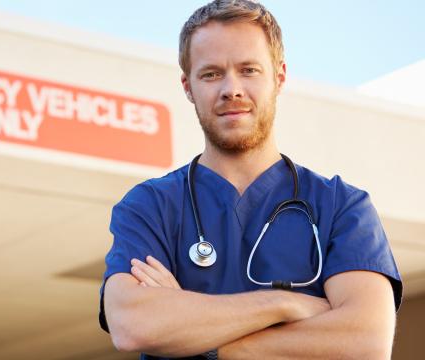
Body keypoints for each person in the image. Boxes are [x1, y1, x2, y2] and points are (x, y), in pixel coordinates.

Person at [98, 1, 402, 359]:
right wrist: (285, 304)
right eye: (211, 74)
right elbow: (134, 325)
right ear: (188, 86)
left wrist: (210, 341)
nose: (232, 89)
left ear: (280, 77)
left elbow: (364, 342)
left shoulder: (340, 207)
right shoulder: (150, 206)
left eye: (249, 70)